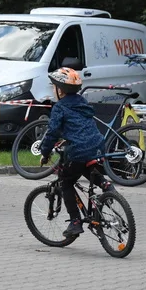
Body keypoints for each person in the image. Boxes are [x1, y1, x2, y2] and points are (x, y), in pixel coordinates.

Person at [37, 67, 108, 237]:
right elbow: (79, 126)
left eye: (53, 87)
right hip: (97, 146)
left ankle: (75, 222)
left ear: (60, 90)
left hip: (77, 150)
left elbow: (52, 132)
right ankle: (108, 188)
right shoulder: (83, 103)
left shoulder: (60, 107)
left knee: (65, 182)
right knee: (86, 167)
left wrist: (45, 152)